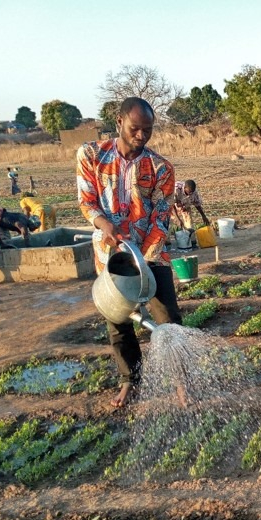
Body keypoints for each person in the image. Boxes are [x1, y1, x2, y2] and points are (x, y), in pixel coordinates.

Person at [77, 96, 181, 409]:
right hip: (111, 257)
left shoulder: (160, 168)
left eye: (147, 130)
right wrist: (104, 225)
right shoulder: (91, 155)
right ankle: (130, 381)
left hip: (152, 255)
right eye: (135, 128)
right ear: (119, 121)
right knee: (118, 322)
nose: (141, 135)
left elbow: (161, 218)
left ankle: (181, 381)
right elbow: (87, 201)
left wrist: (144, 261)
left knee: (168, 319)